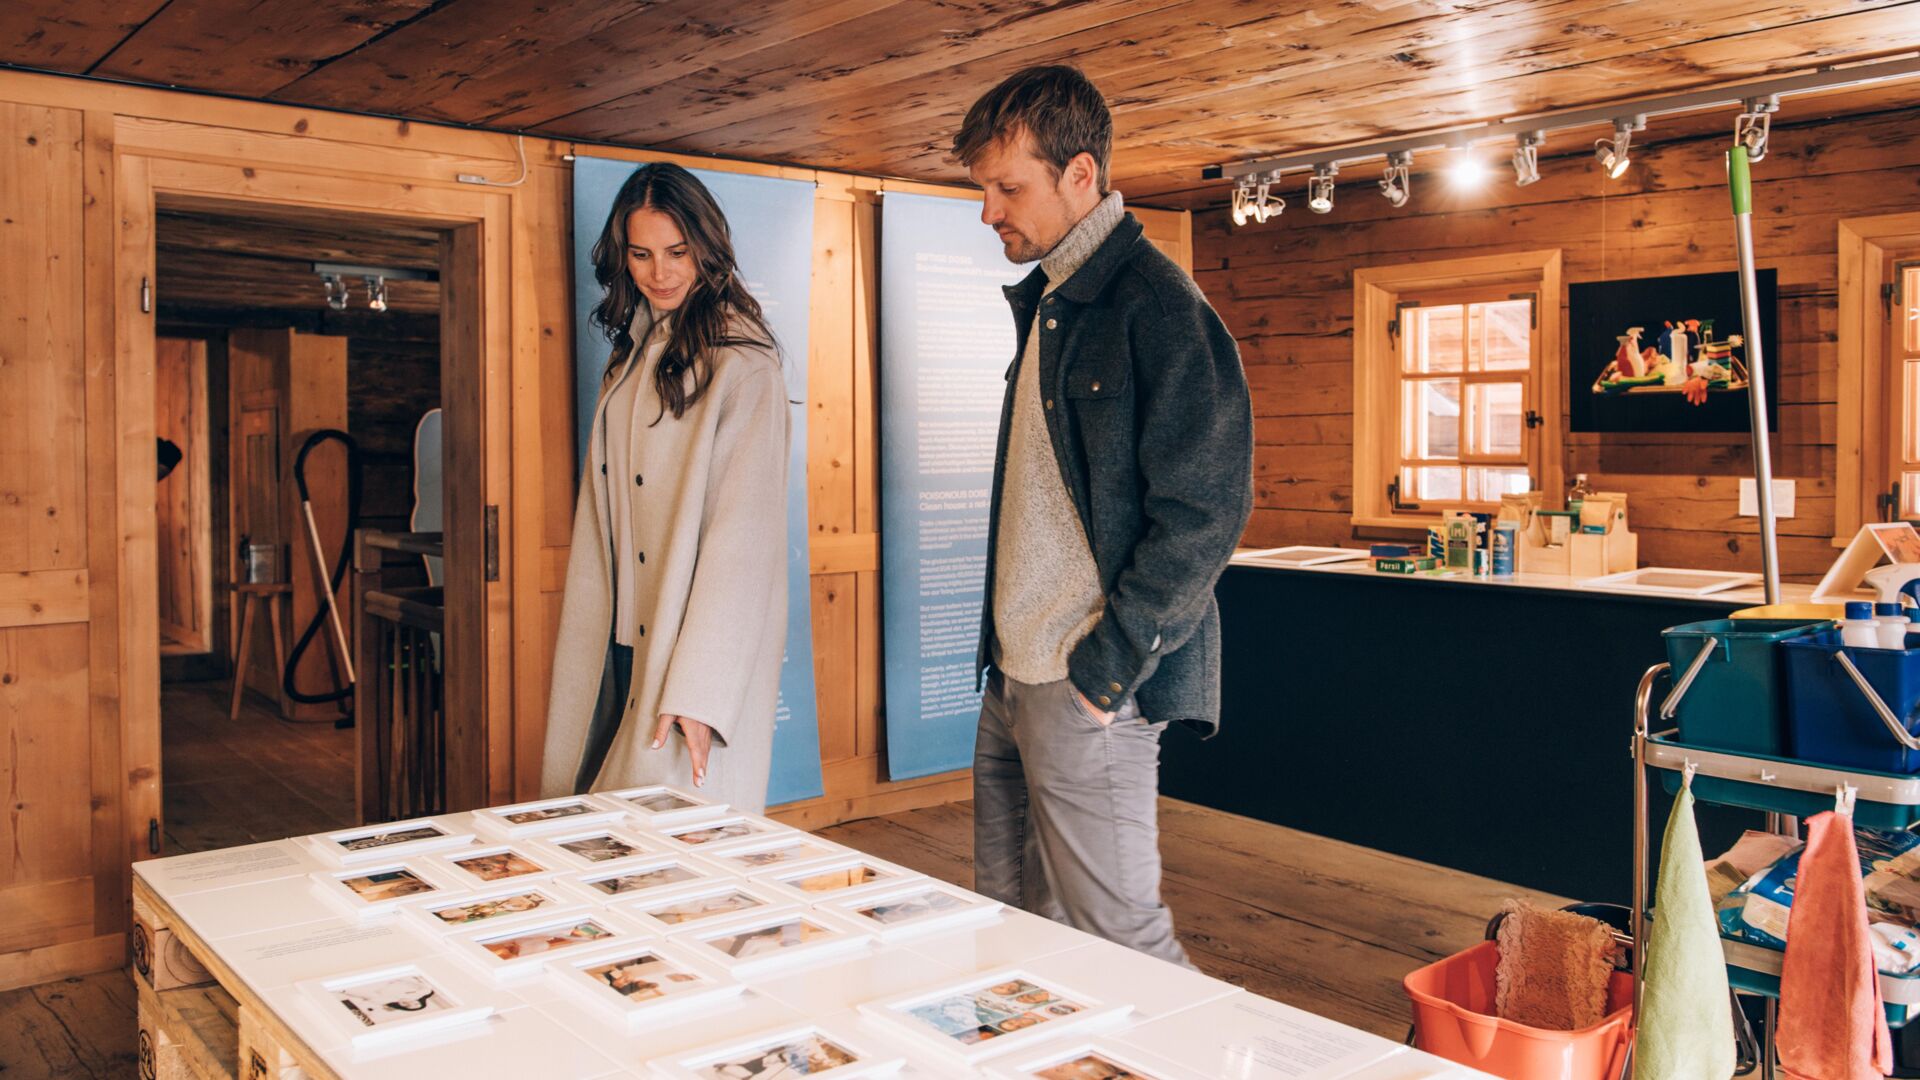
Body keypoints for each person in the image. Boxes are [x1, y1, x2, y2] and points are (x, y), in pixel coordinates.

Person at [954, 65, 1253, 966]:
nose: (988, 213)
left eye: (1008, 188)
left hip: (1088, 688)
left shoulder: (1160, 307)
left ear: (1081, 176)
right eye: (984, 190)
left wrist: (1103, 674)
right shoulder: (1050, 297)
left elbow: (1205, 513)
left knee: (1122, 943)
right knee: (1012, 929)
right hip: (1014, 677)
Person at [541, 162, 790, 813]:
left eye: (678, 252)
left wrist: (702, 690)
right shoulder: (627, 359)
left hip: (687, 652)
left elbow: (745, 536)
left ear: (708, 247)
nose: (662, 272)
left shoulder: (744, 364)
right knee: (598, 829)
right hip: (620, 642)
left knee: (679, 845)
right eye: (643, 254)